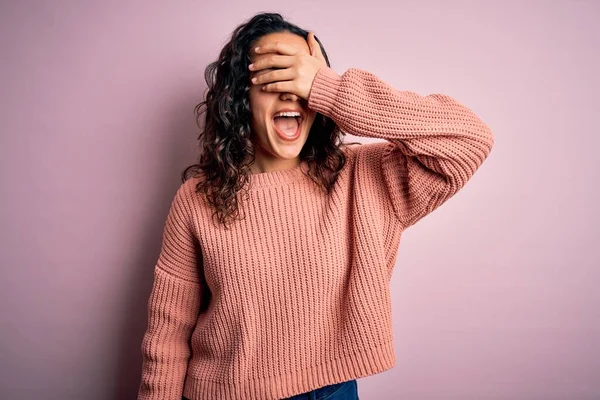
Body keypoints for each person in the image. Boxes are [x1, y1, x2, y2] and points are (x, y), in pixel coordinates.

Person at [137, 12, 495, 400]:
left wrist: (332, 88)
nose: (292, 93)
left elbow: (469, 138)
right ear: (241, 96)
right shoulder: (197, 199)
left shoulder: (363, 177)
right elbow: (167, 334)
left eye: (301, 76)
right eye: (275, 75)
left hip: (330, 391)